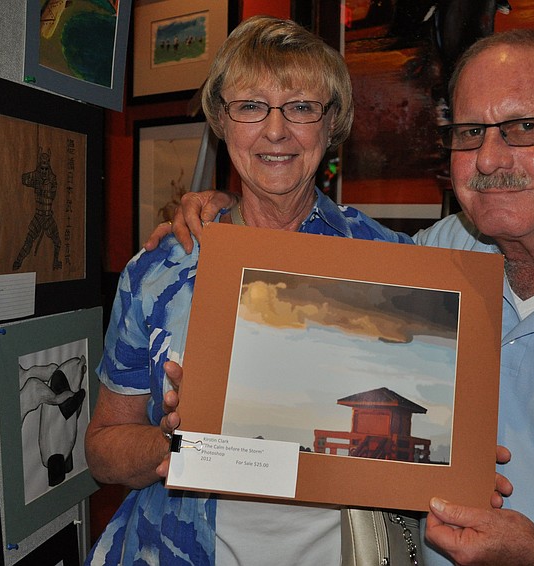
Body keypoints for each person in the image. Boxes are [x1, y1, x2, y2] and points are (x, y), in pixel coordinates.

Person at [159, 26, 534, 565]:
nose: (489, 158)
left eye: (525, 128)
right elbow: (314, 301)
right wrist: (219, 213)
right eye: (470, 131)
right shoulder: (436, 257)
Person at [85, 16, 428, 565]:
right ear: (222, 119)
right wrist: (176, 441)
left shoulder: (389, 261)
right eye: (250, 106)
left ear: (330, 120)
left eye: (300, 106)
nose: (275, 131)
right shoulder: (159, 271)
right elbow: (102, 450)